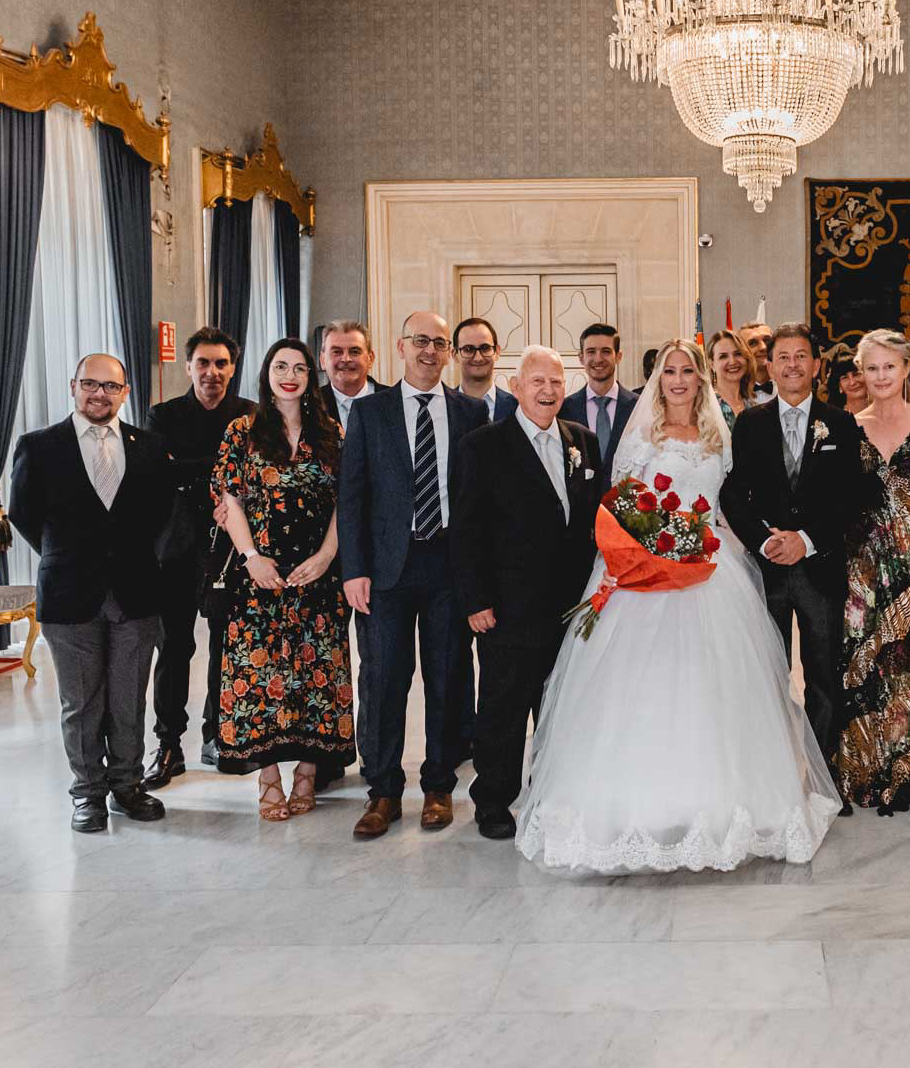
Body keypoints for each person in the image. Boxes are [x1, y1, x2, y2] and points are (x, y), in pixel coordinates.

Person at [518, 339, 842, 872]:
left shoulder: (720, 436)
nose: (677, 380)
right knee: (645, 690)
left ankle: (718, 806)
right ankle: (639, 808)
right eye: (669, 371)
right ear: (658, 379)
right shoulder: (642, 436)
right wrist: (650, 547)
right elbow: (621, 502)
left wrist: (735, 539)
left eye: (687, 371)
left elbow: (730, 502)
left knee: (715, 691)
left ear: (700, 378)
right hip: (646, 576)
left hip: (712, 571)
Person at [338, 311, 488, 838]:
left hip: (449, 565)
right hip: (386, 570)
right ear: (401, 346)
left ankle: (439, 787)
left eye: (440, 343)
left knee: (447, 678)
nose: (430, 351)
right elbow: (352, 495)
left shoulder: (471, 413)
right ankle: (382, 791)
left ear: (449, 353)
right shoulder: (370, 411)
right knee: (384, 680)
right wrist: (354, 569)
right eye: (421, 340)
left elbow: (480, 500)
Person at [8, 354, 173, 832]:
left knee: (128, 699)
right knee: (80, 704)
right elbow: (23, 513)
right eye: (90, 384)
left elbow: (163, 513)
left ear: (125, 392)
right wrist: (65, 555)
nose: (99, 394)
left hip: (136, 593)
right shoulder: (39, 446)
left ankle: (128, 785)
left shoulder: (149, 446)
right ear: (73, 386)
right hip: (69, 593)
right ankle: (88, 794)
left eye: (110, 386)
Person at [455, 345, 602, 840]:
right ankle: (493, 800)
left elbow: (593, 521)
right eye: (537, 381)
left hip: (572, 606)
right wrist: (475, 600)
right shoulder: (482, 446)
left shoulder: (583, 441)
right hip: (507, 607)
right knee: (504, 707)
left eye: (556, 381)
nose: (548, 390)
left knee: (560, 707)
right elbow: (467, 530)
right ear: (515, 387)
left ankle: (551, 795)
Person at [209, 340, 355, 821]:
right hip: (259, 575)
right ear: (266, 373)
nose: (289, 376)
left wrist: (327, 555)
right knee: (257, 677)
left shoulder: (330, 432)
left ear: (311, 376)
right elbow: (228, 499)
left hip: (318, 575)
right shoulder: (242, 430)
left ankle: (308, 774)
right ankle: (268, 779)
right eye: (280, 367)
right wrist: (251, 557)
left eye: (299, 368)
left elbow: (347, 501)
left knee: (318, 675)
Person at [722, 324, 870, 780]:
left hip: (819, 569)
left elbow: (853, 497)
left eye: (801, 356)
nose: (792, 365)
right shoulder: (750, 422)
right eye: (782, 357)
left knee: (824, 676)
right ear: (768, 367)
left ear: (817, 365)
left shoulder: (840, 423)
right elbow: (733, 493)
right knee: (769, 674)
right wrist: (764, 540)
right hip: (765, 570)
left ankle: (821, 775)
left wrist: (805, 539)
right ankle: (774, 774)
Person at [839, 328, 910, 814]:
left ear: (906, 369)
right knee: (859, 667)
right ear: (860, 373)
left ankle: (902, 780)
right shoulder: (848, 426)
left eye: (889, 366)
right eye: (872, 368)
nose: (881, 376)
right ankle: (860, 775)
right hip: (859, 564)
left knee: (903, 669)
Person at [140, 327, 252, 789]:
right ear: (188, 367)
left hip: (232, 550)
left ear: (232, 368)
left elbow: (253, 477)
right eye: (203, 363)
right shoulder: (162, 415)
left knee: (227, 646)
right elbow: (156, 475)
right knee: (174, 649)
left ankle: (217, 735)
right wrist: (220, 472)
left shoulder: (250, 415)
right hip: (177, 550)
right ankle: (168, 745)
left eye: (221, 363)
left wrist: (187, 469)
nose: (212, 372)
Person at [560, 323, 638, 492]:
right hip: (579, 504)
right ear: (581, 358)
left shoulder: (637, 407)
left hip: (626, 503)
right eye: (591, 352)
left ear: (618, 356)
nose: (598, 359)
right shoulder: (564, 409)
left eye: (606, 351)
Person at [319, 320, 389, 426]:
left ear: (370, 359)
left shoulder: (396, 401)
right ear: (323, 360)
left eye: (354, 352)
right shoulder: (310, 405)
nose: (346, 359)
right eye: (337, 352)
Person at [453, 317, 517, 421]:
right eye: (468, 349)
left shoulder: (518, 409)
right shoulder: (442, 407)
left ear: (497, 352)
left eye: (485, 348)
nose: (478, 358)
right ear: (454, 355)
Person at [709, 328, 757, 428]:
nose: (732, 361)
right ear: (712, 364)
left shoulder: (753, 405)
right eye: (723, 356)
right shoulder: (705, 405)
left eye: (738, 354)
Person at [738, 321, 776, 401]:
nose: (763, 347)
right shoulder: (734, 393)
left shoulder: (792, 386)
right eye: (753, 343)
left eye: (767, 340)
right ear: (740, 352)